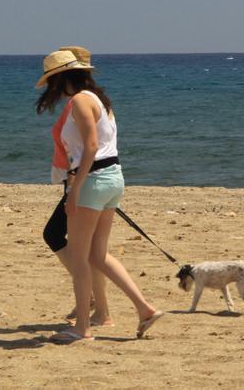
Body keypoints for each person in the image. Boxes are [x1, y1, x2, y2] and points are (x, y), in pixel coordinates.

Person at [35, 49, 163, 343]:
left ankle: (83, 328)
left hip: (93, 180)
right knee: (97, 255)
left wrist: (75, 189)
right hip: (112, 177)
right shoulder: (99, 100)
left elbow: (91, 147)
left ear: (60, 78)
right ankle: (145, 309)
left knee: (80, 259)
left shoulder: (80, 100)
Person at [40, 46, 111, 326]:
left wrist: (78, 183)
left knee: (68, 241)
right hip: (84, 177)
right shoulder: (92, 100)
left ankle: (99, 305)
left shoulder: (82, 102)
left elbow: (93, 146)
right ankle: (100, 307)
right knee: (85, 246)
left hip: (86, 179)